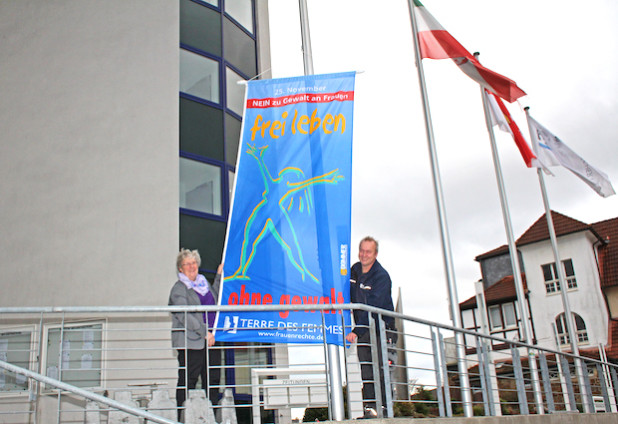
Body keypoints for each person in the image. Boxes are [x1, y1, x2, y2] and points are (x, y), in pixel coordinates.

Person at [169, 248, 223, 421]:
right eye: (187, 264)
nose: (191, 266)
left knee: (213, 380)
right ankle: (183, 417)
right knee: (188, 381)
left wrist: (219, 275)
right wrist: (204, 332)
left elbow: (216, 296)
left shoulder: (203, 284)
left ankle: (211, 416)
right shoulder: (179, 288)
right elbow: (184, 315)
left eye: (193, 263)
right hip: (191, 341)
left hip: (211, 340)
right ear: (180, 268)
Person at [345, 236, 395, 418]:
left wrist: (356, 330)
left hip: (382, 329)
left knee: (381, 370)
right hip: (364, 328)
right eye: (362, 250)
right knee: (366, 368)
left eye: (368, 252)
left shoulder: (381, 277)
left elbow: (372, 307)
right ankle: (370, 410)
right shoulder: (355, 271)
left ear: (375, 254)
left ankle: (385, 410)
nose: (364, 255)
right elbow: (345, 293)